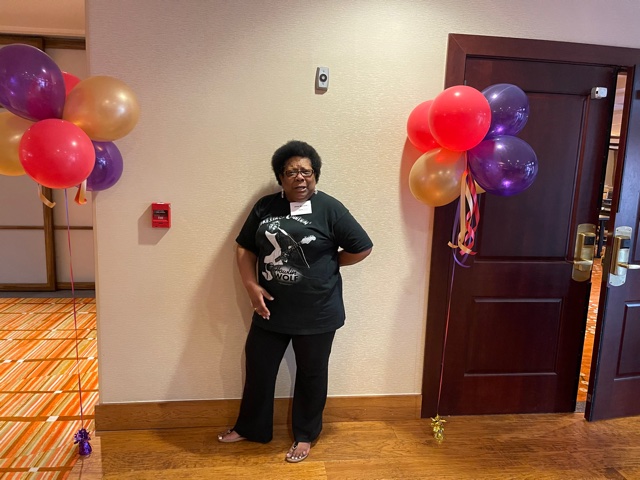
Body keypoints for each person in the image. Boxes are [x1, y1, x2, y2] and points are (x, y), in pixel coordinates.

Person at [218, 140, 373, 463]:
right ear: (280, 177)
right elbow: (245, 247)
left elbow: (362, 246)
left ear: (315, 175)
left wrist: (329, 265)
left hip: (318, 312)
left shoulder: (330, 209)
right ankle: (252, 428)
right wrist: (250, 285)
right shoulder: (264, 207)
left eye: (307, 171)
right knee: (259, 369)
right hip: (269, 308)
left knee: (311, 374)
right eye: (292, 172)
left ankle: (305, 436)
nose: (300, 178)